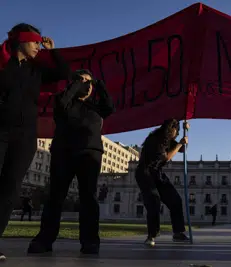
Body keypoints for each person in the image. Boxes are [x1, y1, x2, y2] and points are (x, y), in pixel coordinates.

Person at [0, 23, 69, 260]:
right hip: (0, 132)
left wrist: (53, 51)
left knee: (10, 190)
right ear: (21, 41)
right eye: (35, 42)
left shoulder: (36, 70)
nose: (39, 47)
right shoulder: (2, 65)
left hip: (25, 137)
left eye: (41, 43)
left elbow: (63, 74)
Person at [28, 69, 115, 255]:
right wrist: (76, 84)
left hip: (90, 154)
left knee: (88, 198)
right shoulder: (64, 100)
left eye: (89, 83)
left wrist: (99, 84)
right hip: (64, 152)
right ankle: (44, 240)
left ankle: (90, 242)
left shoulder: (96, 107)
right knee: (55, 197)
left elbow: (110, 107)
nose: (87, 86)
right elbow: (60, 107)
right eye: (83, 82)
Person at [135, 119, 190, 247]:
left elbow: (182, 149)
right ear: (170, 129)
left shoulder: (168, 140)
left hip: (157, 173)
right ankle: (151, 235)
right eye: (175, 131)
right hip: (145, 173)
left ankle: (178, 232)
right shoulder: (155, 139)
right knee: (154, 201)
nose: (175, 135)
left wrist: (186, 134)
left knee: (175, 200)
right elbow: (166, 157)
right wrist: (179, 144)